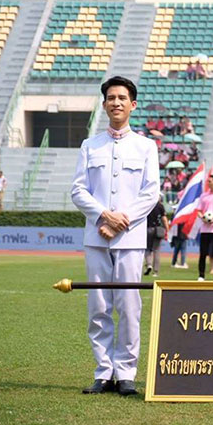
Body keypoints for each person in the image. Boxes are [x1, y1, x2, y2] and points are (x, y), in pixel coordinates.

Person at [71, 76, 160, 396]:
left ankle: (126, 372)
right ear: (105, 103)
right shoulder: (89, 145)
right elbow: (78, 190)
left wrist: (120, 221)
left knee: (129, 305)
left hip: (130, 238)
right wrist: (103, 215)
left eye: (122, 97)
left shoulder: (146, 146)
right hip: (96, 236)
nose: (116, 102)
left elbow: (151, 194)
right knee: (98, 305)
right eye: (111, 97)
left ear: (133, 105)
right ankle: (103, 371)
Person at [143, 200, 168, 277]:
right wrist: (166, 228)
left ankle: (149, 264)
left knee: (147, 249)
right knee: (156, 250)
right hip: (158, 229)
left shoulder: (146, 204)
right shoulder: (160, 206)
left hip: (148, 229)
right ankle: (155, 271)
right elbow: (164, 219)